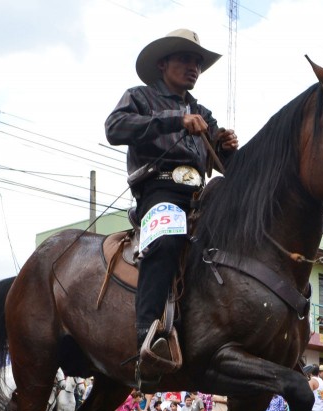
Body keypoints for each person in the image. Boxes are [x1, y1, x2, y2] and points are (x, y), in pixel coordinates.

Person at [105, 28, 238, 377]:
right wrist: (175, 120)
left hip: (200, 194)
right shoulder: (139, 97)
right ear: (163, 64)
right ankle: (147, 337)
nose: (194, 66)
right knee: (166, 242)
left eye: (197, 62)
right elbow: (114, 128)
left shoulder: (203, 113)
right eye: (185, 59)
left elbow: (221, 165)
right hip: (159, 189)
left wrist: (226, 146)